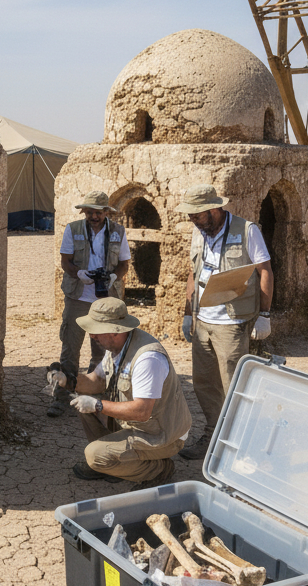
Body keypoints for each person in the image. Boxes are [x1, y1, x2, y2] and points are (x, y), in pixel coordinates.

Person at [46, 298, 192, 488]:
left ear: (115, 331)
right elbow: (96, 381)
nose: (91, 336)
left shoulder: (147, 359)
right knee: (83, 407)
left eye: (96, 330)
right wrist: (66, 380)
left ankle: (159, 469)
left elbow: (141, 411)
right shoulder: (116, 347)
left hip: (161, 436)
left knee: (94, 455)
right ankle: (118, 463)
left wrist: (98, 405)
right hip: (138, 426)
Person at [176, 184, 273, 460]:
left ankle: (239, 445)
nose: (192, 220)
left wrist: (264, 315)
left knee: (233, 385)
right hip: (203, 322)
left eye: (197, 215)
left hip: (232, 321)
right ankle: (212, 435)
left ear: (214, 209)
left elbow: (265, 271)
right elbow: (193, 274)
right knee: (204, 383)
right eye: (191, 215)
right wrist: (187, 313)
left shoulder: (246, 230)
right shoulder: (199, 232)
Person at [50, 191, 131, 417]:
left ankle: (92, 394)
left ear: (107, 212)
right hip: (78, 296)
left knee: (103, 350)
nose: (94, 216)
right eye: (90, 212)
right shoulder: (73, 229)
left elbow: (124, 263)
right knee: (70, 348)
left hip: (105, 299)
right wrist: (80, 274)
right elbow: (65, 261)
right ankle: (61, 397)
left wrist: (115, 277)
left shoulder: (118, 232)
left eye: (98, 212)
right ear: (84, 212)